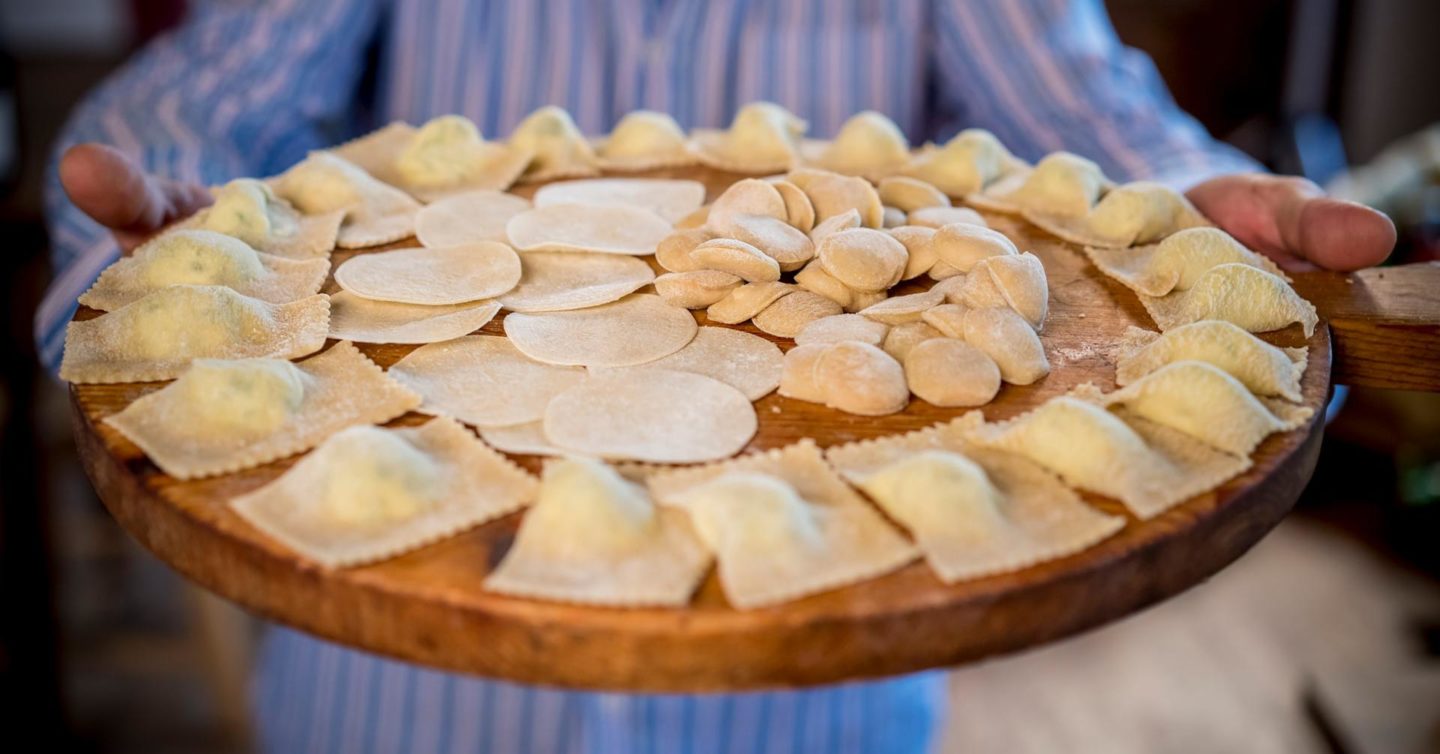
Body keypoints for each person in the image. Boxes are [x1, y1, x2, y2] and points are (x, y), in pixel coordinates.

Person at [37, 1, 1395, 752]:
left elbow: (1101, 135)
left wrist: (1192, 224)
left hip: (817, 691)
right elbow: (194, 95)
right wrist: (170, 245)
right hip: (410, 684)